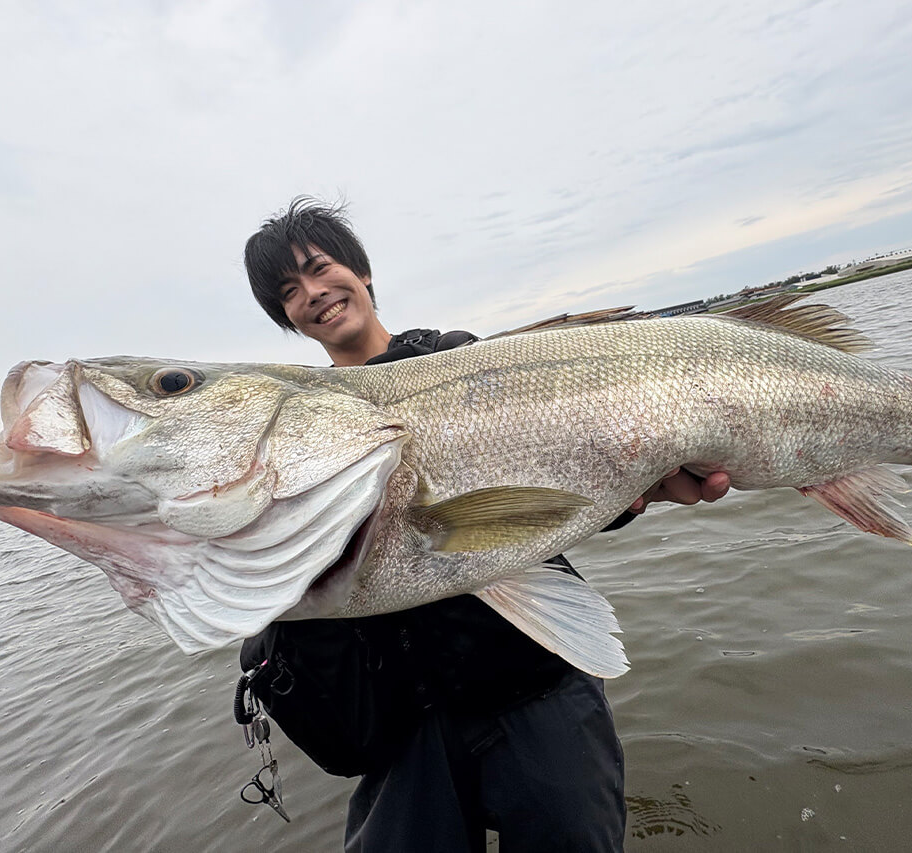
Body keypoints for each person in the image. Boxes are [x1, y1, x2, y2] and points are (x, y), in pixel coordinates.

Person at [240, 197, 729, 852]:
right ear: (285, 318)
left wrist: (637, 488)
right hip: (406, 725)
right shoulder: (293, 418)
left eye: (321, 268)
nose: (313, 294)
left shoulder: (461, 357)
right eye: (289, 292)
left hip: (534, 675)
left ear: (361, 270)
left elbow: (562, 487)